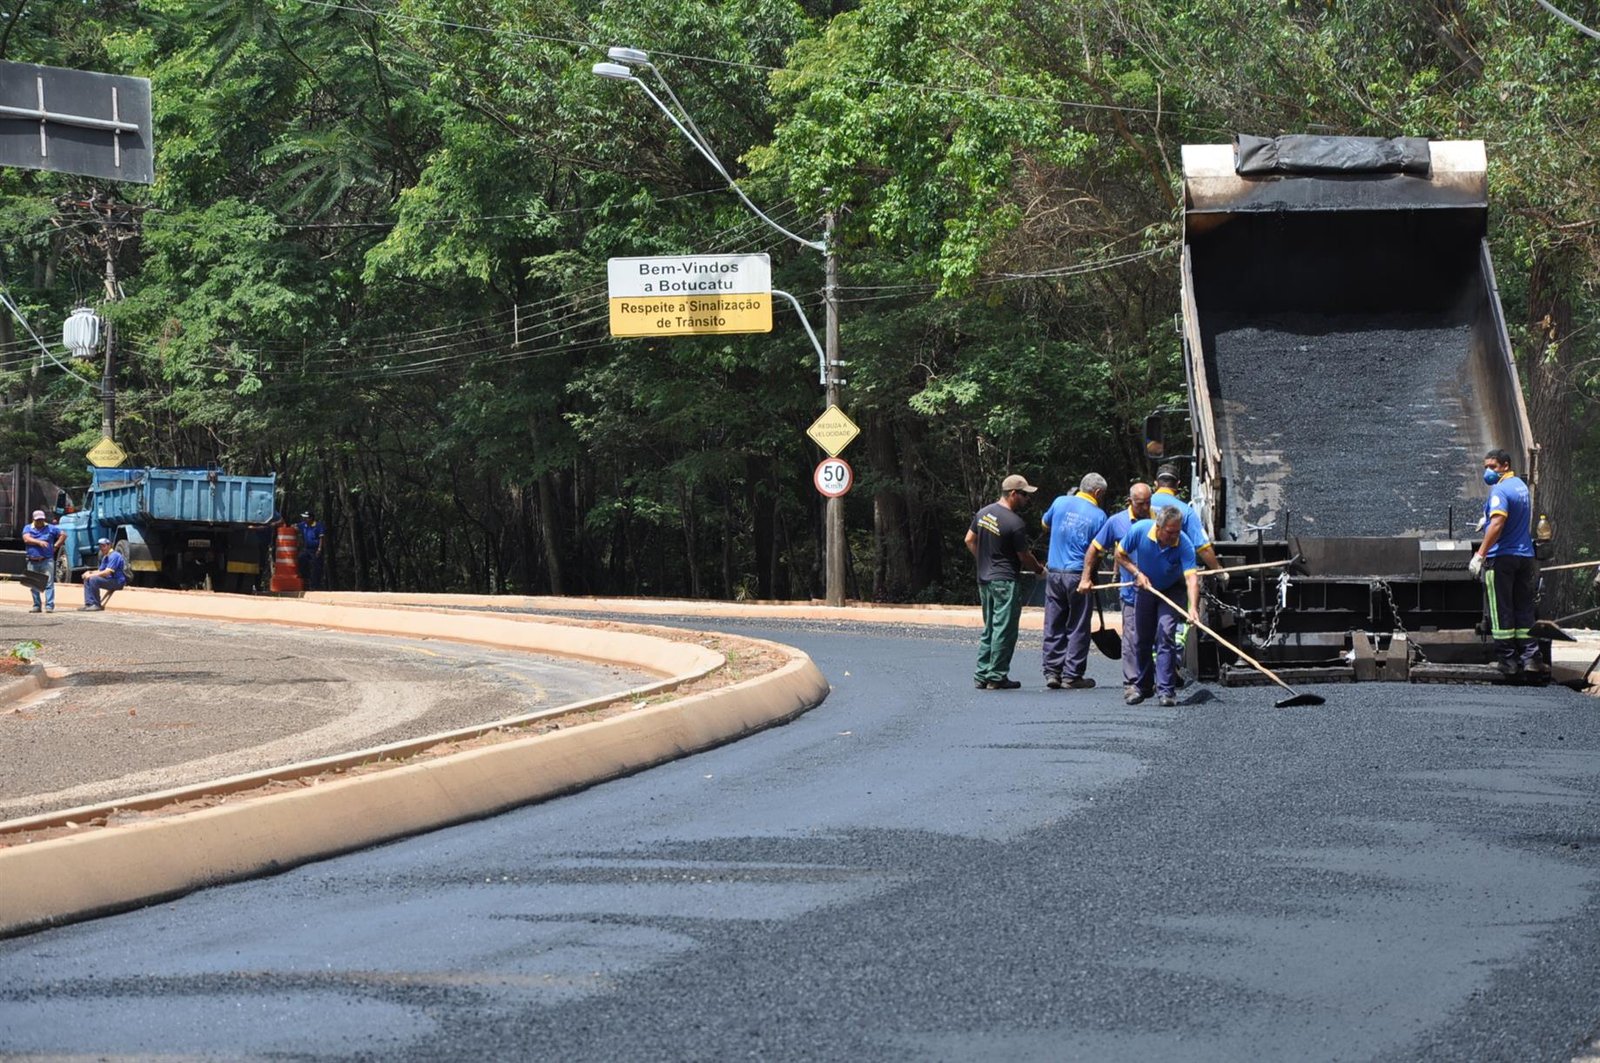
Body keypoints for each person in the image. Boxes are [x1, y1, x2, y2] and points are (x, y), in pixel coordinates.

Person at [965, 474, 1047, 690]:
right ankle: (996, 675)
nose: (1027, 499)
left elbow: (969, 540)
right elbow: (1024, 555)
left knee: (990, 626)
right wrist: (1039, 569)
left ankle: (982, 674)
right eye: (1024, 495)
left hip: (984, 579)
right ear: (1012, 494)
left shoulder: (983, 513)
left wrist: (984, 560)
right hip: (1005, 581)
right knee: (1005, 629)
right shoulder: (1014, 522)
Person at [1115, 506, 1202, 707]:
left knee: (1165, 634)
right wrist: (1137, 573)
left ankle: (1166, 691)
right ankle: (1143, 686)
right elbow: (1120, 555)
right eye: (1170, 532)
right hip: (1145, 589)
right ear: (1158, 527)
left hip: (1171, 591)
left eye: (1177, 531)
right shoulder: (1140, 531)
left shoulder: (1184, 544)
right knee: (1142, 638)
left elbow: (1191, 579)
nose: (1174, 536)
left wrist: (1193, 608)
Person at [1470, 448, 1542, 678]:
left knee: (1501, 609)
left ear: (1505, 465)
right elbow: (1512, 514)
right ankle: (1530, 658)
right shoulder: (1520, 487)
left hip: (1502, 558)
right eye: (1486, 467)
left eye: (1492, 467)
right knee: (1524, 609)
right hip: (1525, 557)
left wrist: (1480, 554)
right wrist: (1488, 517)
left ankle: (1507, 660)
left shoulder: (1499, 490)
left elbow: (1499, 524)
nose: (1488, 472)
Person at [1079, 482, 1154, 701]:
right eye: (1140, 504)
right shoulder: (1116, 522)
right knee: (1131, 637)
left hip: (1158, 591)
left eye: (1148, 502)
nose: (1145, 507)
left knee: (1160, 634)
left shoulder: (1159, 519)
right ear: (1130, 502)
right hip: (1131, 592)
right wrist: (1085, 578)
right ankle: (1132, 682)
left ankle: (1161, 677)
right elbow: (1094, 549)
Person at [1039, 473, 1108, 689]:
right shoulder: (1099, 516)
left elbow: (1044, 524)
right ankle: (1072, 675)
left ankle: (1052, 671)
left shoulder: (1060, 502)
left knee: (1054, 621)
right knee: (1078, 624)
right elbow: (1099, 551)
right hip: (1079, 575)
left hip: (1054, 572)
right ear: (1097, 492)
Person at [1152, 464, 1228, 584]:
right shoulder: (1186, 511)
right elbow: (1203, 548)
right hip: (1171, 579)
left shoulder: (1141, 505)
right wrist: (1219, 572)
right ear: (1178, 484)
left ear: (1156, 484)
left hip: (1141, 576)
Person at [20, 509, 61, 613]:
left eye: (41, 519)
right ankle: (37, 605)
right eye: (38, 520)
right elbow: (26, 539)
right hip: (32, 560)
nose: (40, 522)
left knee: (49, 583)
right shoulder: (28, 528)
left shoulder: (51, 528)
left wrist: (56, 546)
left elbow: (63, 535)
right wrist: (39, 542)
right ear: (33, 519)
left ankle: (49, 605)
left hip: (47, 560)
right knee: (33, 584)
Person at [80, 538, 127, 611]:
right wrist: (90, 572)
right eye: (100, 546)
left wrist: (91, 575)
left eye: (103, 546)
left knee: (93, 579)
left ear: (109, 546)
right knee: (87, 578)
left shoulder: (114, 556)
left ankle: (96, 604)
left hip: (117, 582)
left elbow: (107, 572)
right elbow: (100, 571)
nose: (101, 548)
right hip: (110, 580)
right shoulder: (105, 557)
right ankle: (89, 604)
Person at [295, 511, 326, 590]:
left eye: (307, 518)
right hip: (307, 549)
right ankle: (305, 580)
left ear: (311, 518)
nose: (305, 519)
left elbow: (321, 538)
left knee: (316, 567)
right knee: (301, 559)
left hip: (315, 549)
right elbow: (295, 526)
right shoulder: (303, 525)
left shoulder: (318, 526)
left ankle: (315, 586)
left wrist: (319, 549)